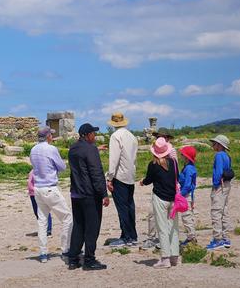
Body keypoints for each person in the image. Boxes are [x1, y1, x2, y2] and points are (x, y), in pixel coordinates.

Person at [67, 123, 110, 271]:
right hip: (89, 194)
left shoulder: (73, 148)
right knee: (92, 228)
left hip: (76, 193)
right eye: (93, 133)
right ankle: (89, 260)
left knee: (78, 226)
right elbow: (96, 173)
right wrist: (104, 194)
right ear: (87, 135)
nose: (95, 136)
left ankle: (73, 259)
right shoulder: (90, 149)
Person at [30, 126, 73, 263]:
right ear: (48, 136)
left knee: (42, 221)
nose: (52, 137)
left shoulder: (33, 149)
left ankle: (43, 253)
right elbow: (62, 167)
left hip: (38, 188)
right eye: (51, 135)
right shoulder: (51, 149)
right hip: (50, 188)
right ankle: (65, 249)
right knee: (67, 218)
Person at [140, 137, 180, 268]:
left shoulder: (153, 164)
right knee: (173, 228)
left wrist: (142, 182)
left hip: (160, 198)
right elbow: (177, 178)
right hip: (173, 198)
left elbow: (149, 179)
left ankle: (165, 259)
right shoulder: (173, 162)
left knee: (162, 228)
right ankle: (174, 257)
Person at [106, 112, 139, 247]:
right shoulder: (132, 136)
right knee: (130, 206)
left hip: (120, 175)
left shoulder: (115, 136)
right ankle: (132, 234)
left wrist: (109, 178)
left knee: (122, 208)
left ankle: (126, 236)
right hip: (130, 174)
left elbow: (114, 159)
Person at [141, 127, 174, 250]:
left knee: (156, 215)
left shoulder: (157, 162)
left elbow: (152, 176)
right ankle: (166, 243)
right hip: (170, 191)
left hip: (161, 192)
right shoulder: (170, 157)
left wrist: (144, 182)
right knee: (164, 217)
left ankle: (156, 240)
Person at [206, 134, 233, 251]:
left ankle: (217, 239)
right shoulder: (227, 156)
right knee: (224, 211)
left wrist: (215, 185)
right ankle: (225, 238)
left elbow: (218, 172)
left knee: (216, 212)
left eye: (214, 143)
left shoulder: (218, 155)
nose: (213, 145)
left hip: (220, 186)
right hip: (227, 185)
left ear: (219, 145)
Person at [178, 146, 198, 246]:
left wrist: (180, 195)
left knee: (186, 216)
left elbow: (187, 184)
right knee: (186, 216)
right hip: (186, 194)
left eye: (182, 155)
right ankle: (191, 236)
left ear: (186, 157)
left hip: (186, 195)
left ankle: (191, 237)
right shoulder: (187, 167)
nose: (180, 156)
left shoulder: (189, 168)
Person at [27, 170, 52, 237]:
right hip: (32, 194)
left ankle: (48, 230)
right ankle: (43, 229)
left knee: (44, 211)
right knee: (36, 212)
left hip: (38, 193)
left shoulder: (40, 170)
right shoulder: (32, 170)